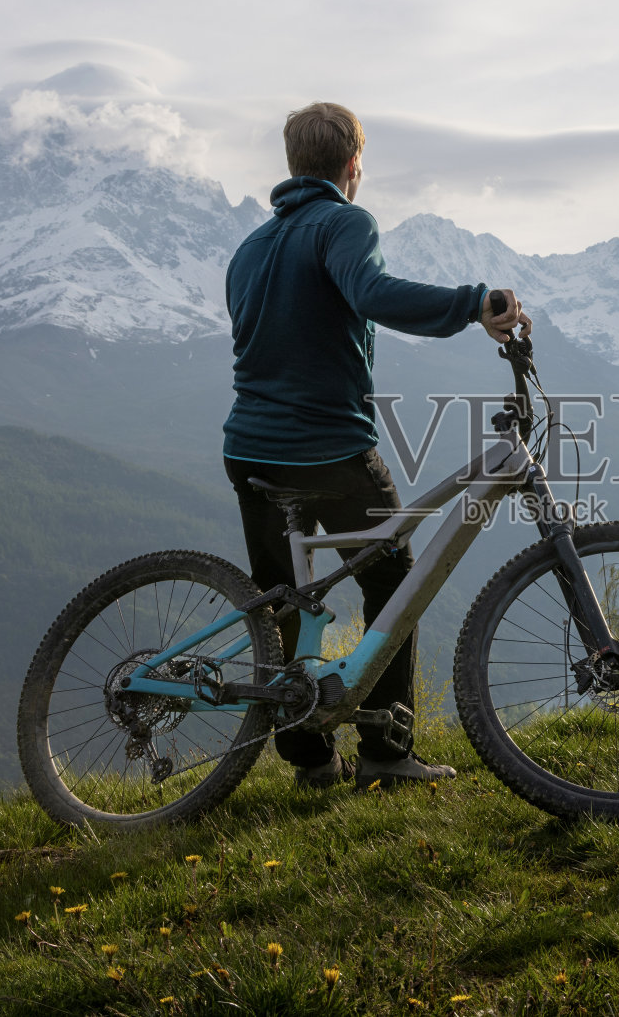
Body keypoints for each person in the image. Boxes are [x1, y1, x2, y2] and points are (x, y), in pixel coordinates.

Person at [222, 101, 531, 790]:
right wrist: (475, 302)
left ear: (293, 162)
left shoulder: (250, 248)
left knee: (283, 598)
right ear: (353, 164)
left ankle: (312, 763)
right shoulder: (345, 221)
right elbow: (373, 292)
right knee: (392, 581)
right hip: (326, 447)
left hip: (248, 449)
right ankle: (388, 753)